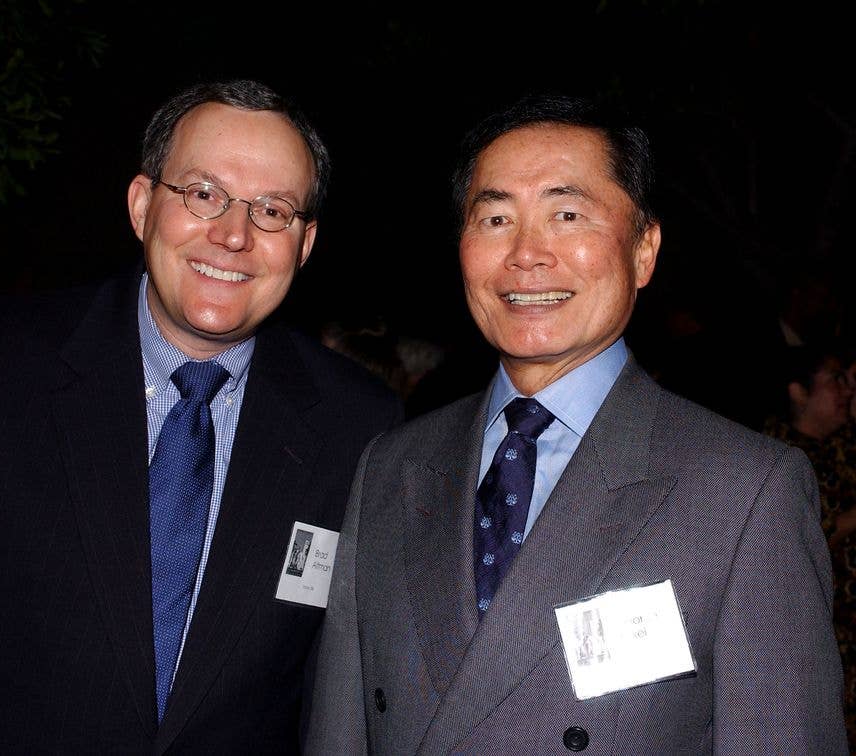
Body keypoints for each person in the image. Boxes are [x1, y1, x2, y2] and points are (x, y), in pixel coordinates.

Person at [0, 79, 401, 754]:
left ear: (303, 244)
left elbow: (341, 686)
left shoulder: (359, 425)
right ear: (141, 206)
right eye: (203, 193)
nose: (233, 234)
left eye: (272, 210)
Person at [306, 93, 847, 754]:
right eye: (496, 217)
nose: (528, 253)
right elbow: (339, 729)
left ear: (644, 250)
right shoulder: (392, 465)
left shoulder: (744, 492)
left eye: (567, 213)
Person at [763, 344, 856, 749]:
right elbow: (807, 538)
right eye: (835, 380)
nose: (846, 391)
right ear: (799, 391)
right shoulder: (773, 456)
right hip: (825, 631)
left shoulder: (846, 447)